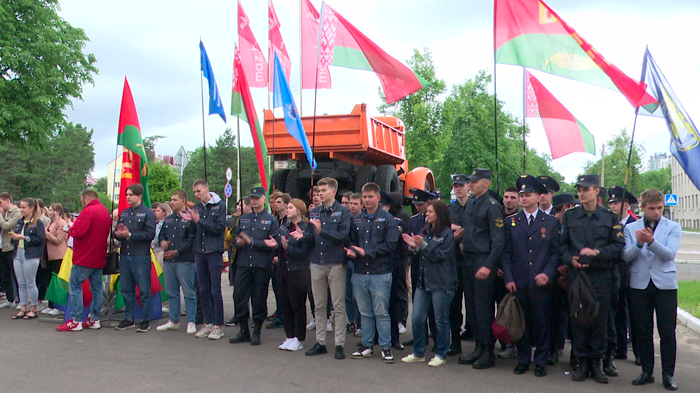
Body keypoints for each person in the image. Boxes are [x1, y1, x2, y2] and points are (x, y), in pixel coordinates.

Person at [560, 174, 624, 383]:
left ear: (596, 191)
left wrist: (597, 253)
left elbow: (618, 246)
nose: (581, 193)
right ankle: (581, 361)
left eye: (586, 189)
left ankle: (597, 362)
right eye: (579, 189)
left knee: (599, 320)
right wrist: (571, 259)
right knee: (578, 319)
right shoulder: (570, 216)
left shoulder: (609, 217)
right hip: (578, 276)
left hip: (601, 276)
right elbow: (561, 246)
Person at [622, 189, 681, 391]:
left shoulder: (673, 227)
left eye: (660, 208)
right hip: (639, 284)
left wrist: (651, 242)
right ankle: (646, 371)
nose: (656, 212)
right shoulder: (631, 228)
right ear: (643, 207)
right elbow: (626, 256)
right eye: (652, 208)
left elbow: (669, 254)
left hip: (665, 285)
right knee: (643, 331)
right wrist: (639, 243)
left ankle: (668, 374)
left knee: (667, 332)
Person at [502, 175, 561, 377]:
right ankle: (523, 358)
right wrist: (508, 278)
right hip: (519, 282)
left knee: (542, 322)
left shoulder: (551, 223)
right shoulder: (511, 222)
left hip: (541, 282)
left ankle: (541, 360)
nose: (523, 199)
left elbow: (555, 253)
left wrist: (547, 274)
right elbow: (506, 254)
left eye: (528, 195)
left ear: (538, 197)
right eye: (522, 196)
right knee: (521, 322)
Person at [457, 168, 504, 370]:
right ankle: (478, 346)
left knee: (484, 309)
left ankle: (488, 350)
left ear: (486, 183)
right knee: (473, 308)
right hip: (469, 259)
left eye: (475, 182)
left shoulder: (493, 207)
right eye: (470, 182)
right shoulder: (472, 203)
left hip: (483, 260)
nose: (471, 185)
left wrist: (488, 265)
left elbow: (498, 240)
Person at [348, 182, 400, 363]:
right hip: (361, 272)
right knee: (365, 312)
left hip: (380, 272)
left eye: (371, 196)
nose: (367, 200)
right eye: (365, 197)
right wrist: (352, 251)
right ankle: (367, 345)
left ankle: (386, 347)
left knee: (381, 312)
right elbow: (351, 242)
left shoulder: (387, 219)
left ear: (378, 198)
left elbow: (391, 244)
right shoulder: (356, 220)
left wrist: (366, 252)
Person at [401, 200, 457, 367]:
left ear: (439, 214)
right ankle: (419, 352)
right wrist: (414, 247)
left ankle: (441, 353)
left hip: (441, 283)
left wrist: (423, 245)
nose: (427, 213)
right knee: (417, 317)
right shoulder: (428, 231)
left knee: (441, 320)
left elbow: (441, 255)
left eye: (431, 211)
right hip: (424, 281)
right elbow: (421, 252)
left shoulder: (447, 234)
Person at [304, 177, 351, 359]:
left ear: (333, 192)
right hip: (317, 262)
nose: (320, 194)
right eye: (319, 191)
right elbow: (311, 236)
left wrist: (321, 231)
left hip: (335, 263)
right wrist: (303, 235)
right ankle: (320, 342)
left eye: (323, 191)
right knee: (319, 305)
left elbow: (343, 237)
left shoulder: (343, 212)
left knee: (338, 306)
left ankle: (339, 344)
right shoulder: (315, 212)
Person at [230, 187, 279, 345]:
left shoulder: (271, 220)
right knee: (238, 296)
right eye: (252, 197)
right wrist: (238, 242)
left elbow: (274, 244)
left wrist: (252, 242)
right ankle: (244, 330)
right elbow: (235, 238)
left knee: (259, 299)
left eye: (257, 197)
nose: (254, 200)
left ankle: (257, 330)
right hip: (244, 263)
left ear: (264, 199)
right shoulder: (244, 219)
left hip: (261, 265)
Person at [56, 190, 111, 331]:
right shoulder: (104, 211)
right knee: (97, 288)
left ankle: (75, 320)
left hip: (84, 256)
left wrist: (70, 229)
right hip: (99, 256)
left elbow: (78, 232)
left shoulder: (87, 211)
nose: (81, 202)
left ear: (86, 198)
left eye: (82, 200)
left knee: (75, 286)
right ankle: (94, 319)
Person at [183, 180, 227, 340]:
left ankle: (218, 325)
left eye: (199, 191)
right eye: (194, 192)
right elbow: (193, 231)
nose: (196, 195)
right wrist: (190, 222)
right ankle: (208, 322)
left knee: (215, 289)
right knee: (202, 289)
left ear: (207, 190)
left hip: (213, 251)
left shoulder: (219, 205)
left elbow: (218, 228)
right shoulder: (196, 207)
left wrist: (198, 220)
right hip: (199, 252)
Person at [603, 186, 638, 376]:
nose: (613, 206)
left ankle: (638, 352)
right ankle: (619, 347)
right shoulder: (610, 222)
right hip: (615, 273)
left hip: (631, 273)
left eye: (616, 203)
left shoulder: (635, 223)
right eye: (611, 203)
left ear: (625, 205)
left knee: (633, 314)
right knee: (616, 313)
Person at [114, 184, 157, 332]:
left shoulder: (148, 213)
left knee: (144, 289)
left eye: (131, 194)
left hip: (140, 255)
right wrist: (117, 234)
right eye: (126, 194)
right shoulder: (124, 213)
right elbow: (117, 231)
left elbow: (149, 235)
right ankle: (129, 318)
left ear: (139, 196)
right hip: (125, 254)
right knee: (126, 289)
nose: (127, 197)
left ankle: (145, 320)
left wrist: (130, 235)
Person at [156, 190, 198, 335]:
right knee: (172, 292)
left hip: (184, 260)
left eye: (175, 200)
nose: (172, 202)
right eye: (171, 199)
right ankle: (173, 320)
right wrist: (162, 242)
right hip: (169, 260)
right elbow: (162, 235)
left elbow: (191, 239)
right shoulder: (168, 219)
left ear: (183, 201)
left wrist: (177, 252)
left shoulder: (190, 218)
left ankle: (191, 321)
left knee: (188, 292)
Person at [277, 199, 314, 351]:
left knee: (297, 304)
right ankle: (290, 335)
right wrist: (277, 246)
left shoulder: (306, 228)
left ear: (299, 210)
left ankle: (299, 337)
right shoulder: (284, 226)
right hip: (283, 267)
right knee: (284, 303)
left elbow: (304, 253)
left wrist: (287, 247)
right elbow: (279, 245)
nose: (288, 209)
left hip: (298, 270)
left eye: (290, 207)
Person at [548, 192, 577, 366]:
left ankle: (575, 355)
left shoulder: (574, 225)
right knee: (552, 317)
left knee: (574, 318)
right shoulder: (549, 225)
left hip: (571, 276)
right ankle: (552, 350)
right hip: (553, 277)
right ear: (566, 208)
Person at [9, 198, 46, 320]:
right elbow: (15, 236)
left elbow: (40, 239)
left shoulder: (37, 223)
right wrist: (13, 237)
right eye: (20, 207)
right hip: (18, 253)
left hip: (30, 254)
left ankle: (34, 308)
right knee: (21, 282)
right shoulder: (20, 222)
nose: (21, 210)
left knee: (30, 282)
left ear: (31, 208)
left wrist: (24, 238)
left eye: (24, 207)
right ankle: (23, 307)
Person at [383, 191, 410, 350]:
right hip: (384, 262)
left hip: (398, 259)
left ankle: (400, 321)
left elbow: (395, 236)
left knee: (398, 293)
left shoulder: (402, 216)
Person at [447, 175, 470, 356]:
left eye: (461, 186)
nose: (458, 189)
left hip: (471, 261)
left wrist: (459, 228)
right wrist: (457, 229)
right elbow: (445, 230)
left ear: (468, 186)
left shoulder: (475, 206)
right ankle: (455, 342)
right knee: (454, 305)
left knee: (475, 304)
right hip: (454, 261)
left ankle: (479, 341)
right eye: (456, 186)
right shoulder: (449, 210)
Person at [225, 198, 251, 326]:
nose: (239, 207)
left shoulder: (250, 219)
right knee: (238, 292)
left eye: (241, 205)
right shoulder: (238, 220)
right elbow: (232, 237)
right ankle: (239, 315)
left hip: (251, 259)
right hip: (237, 257)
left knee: (253, 293)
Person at [268, 192, 291, 329]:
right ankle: (280, 312)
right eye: (273, 202)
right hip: (275, 259)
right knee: (277, 289)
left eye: (278, 203)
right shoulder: (275, 220)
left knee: (285, 290)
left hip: (285, 259)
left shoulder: (288, 220)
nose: (274, 205)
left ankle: (284, 316)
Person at [42, 203, 68, 316]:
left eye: (52, 210)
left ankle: (59, 306)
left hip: (58, 255)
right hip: (49, 255)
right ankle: (51, 304)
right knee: (50, 280)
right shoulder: (50, 223)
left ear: (57, 211)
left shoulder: (62, 223)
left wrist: (46, 234)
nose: (49, 212)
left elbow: (58, 240)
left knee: (57, 281)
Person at [0, 193, 22, 309]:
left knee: (15, 274)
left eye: (1, 202)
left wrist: (0, 215)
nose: (0, 205)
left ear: (7, 201)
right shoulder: (5, 213)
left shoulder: (16, 212)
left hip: (11, 246)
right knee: (4, 274)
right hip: (2, 246)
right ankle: (10, 298)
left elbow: (7, 225)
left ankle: (20, 299)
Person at [345, 192, 363, 335]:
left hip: (359, 261)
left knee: (358, 296)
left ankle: (360, 323)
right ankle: (351, 320)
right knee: (347, 294)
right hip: (346, 259)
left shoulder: (362, 220)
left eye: (355, 203)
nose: (352, 206)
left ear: (361, 206)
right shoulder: (346, 219)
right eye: (350, 203)